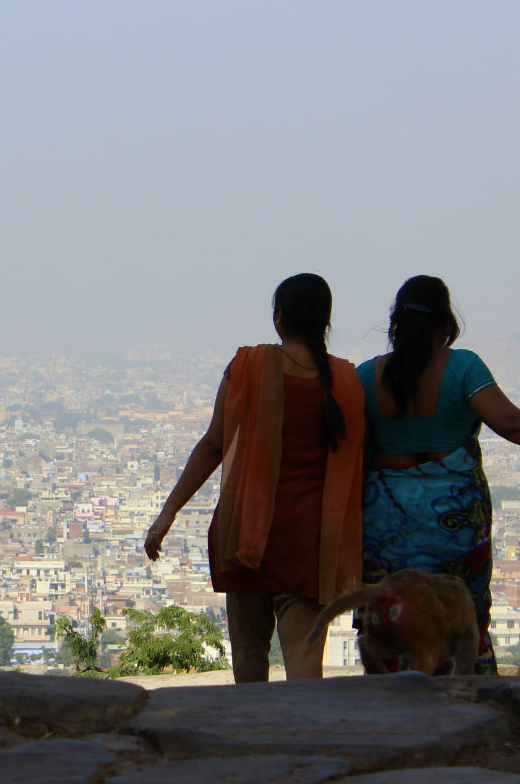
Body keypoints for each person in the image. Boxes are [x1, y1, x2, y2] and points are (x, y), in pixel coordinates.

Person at [144, 274, 366, 683]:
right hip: (309, 545)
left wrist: (167, 513)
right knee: (305, 671)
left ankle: (250, 743)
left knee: (248, 663)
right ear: (325, 322)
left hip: (247, 535)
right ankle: (303, 743)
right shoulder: (347, 381)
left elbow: (213, 445)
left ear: (278, 318)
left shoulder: (248, 365)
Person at [359, 275, 520, 675]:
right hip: (455, 522)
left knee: (394, 605)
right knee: (461, 606)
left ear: (396, 322)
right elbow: (512, 423)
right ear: (445, 321)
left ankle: (393, 692)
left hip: (385, 521)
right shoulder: (463, 367)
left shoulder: (366, 376)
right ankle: (464, 684)